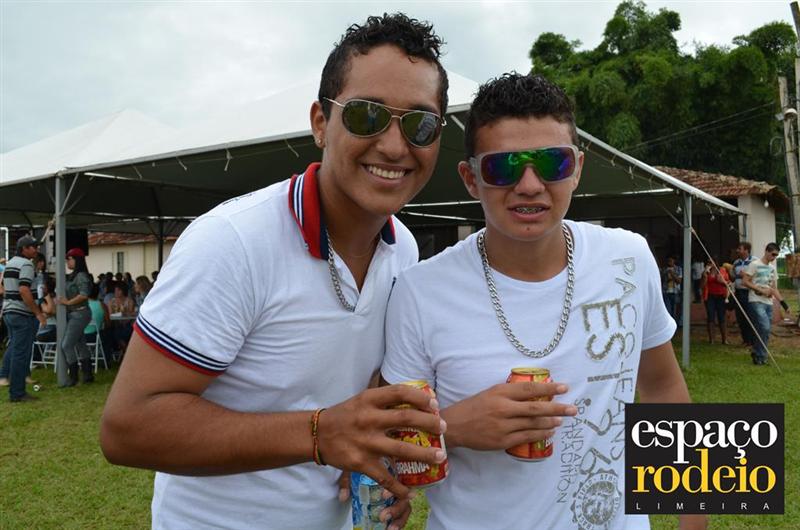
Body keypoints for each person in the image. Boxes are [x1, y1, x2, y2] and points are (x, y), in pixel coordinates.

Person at [100, 13, 449, 530]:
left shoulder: (404, 250)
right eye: (366, 115)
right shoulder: (234, 241)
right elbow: (127, 428)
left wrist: (372, 461)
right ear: (320, 123)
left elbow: (357, 397)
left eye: (420, 124)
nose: (395, 146)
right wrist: (320, 434)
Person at [381, 73, 706, 530]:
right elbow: (391, 442)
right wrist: (455, 427)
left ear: (577, 168)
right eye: (503, 168)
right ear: (471, 179)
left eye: (552, 163)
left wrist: (694, 519)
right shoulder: (419, 291)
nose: (530, 185)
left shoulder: (628, 258)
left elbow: (663, 391)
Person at [0, 236, 47, 402]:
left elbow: (6, 287)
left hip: (8, 312)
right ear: (24, 249)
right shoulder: (27, 264)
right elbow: (24, 290)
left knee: (15, 350)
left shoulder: (10, 263)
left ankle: (10, 383)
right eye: (33, 247)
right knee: (21, 354)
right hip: (22, 313)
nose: (36, 249)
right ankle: (17, 393)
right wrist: (38, 313)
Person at [743, 242, 786, 365]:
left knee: (764, 330)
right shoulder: (754, 264)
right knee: (765, 327)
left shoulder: (772, 268)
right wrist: (760, 290)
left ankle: (759, 355)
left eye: (776, 255)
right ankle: (761, 354)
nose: (774, 257)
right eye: (773, 254)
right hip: (756, 300)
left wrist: (784, 304)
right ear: (766, 251)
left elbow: (774, 288)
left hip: (768, 302)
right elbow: (745, 281)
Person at [56, 247, 94, 385]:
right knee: (80, 343)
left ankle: (73, 376)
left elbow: (84, 294)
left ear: (77, 260)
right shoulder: (74, 275)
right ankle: (87, 374)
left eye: (69, 259)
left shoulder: (81, 276)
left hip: (80, 312)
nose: (67, 262)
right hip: (76, 313)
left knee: (66, 345)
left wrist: (67, 302)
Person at [732, 241, 755, 346]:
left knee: (749, 316)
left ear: (746, 250)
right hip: (738, 292)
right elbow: (733, 277)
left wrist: (745, 275)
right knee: (740, 317)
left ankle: (752, 340)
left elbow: (757, 276)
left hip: (749, 292)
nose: (737, 250)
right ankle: (745, 340)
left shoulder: (754, 261)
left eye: (740, 249)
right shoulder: (736, 262)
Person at [702, 258, 730, 344]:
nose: (709, 264)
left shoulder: (722, 270)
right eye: (708, 262)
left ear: (715, 262)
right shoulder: (706, 272)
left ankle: (724, 339)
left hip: (721, 296)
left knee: (721, 316)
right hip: (710, 296)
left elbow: (727, 283)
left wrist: (721, 281)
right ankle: (712, 339)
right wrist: (705, 276)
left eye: (711, 262)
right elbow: (702, 285)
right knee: (710, 316)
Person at [661, 255, 683, 326]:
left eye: (671, 260)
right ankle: (668, 325)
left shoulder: (678, 269)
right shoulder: (664, 269)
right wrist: (665, 273)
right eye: (668, 261)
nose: (669, 262)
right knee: (667, 310)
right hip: (666, 292)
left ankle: (675, 325)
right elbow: (661, 280)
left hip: (675, 292)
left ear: (674, 261)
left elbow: (679, 281)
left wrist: (672, 273)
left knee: (675, 310)